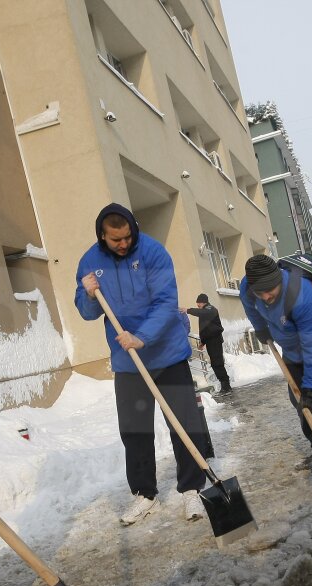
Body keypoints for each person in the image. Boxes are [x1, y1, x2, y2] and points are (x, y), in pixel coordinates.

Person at [76, 203, 209, 526]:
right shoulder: (90, 262)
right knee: (134, 430)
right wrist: (88, 294)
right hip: (127, 362)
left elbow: (166, 303)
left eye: (127, 237)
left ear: (133, 229)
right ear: (102, 237)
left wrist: (142, 337)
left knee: (183, 422)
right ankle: (144, 494)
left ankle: (192, 488)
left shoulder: (153, 253)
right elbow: (86, 312)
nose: (123, 244)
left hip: (166, 353)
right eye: (115, 240)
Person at [239, 255, 312, 469]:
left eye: (270, 289)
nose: (266, 296)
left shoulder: (303, 296)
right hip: (291, 342)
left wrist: (311, 385)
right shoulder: (248, 288)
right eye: (259, 292)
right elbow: (250, 307)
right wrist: (260, 327)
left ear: (278, 279)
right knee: (298, 396)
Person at [182, 293, 232, 395]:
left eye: (198, 304)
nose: (198, 306)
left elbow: (203, 313)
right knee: (214, 363)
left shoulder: (210, 309)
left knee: (217, 363)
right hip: (210, 341)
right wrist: (202, 342)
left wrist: (188, 310)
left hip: (215, 340)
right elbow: (206, 329)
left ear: (202, 302)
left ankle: (226, 386)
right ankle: (224, 385)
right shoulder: (204, 312)